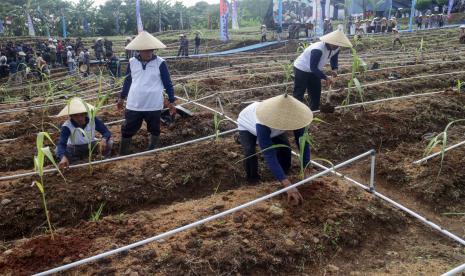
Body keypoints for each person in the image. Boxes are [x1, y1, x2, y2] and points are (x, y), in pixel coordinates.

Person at [237, 94, 313, 205]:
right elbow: (269, 154)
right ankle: (253, 180)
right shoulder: (262, 123)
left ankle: (283, 172)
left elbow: (303, 142)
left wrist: (306, 166)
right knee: (250, 151)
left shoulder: (297, 118)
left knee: (285, 149)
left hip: (275, 130)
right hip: (247, 125)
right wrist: (287, 185)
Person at [117, 31, 176, 155]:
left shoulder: (160, 63)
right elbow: (127, 81)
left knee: (154, 129)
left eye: (150, 50)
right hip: (135, 102)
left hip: (153, 103)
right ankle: (123, 153)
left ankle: (151, 150)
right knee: (128, 128)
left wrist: (171, 100)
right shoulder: (132, 62)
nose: (148, 52)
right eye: (145, 50)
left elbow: (167, 83)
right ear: (139, 50)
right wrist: (122, 98)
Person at [293, 29, 352, 111]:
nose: (337, 46)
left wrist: (335, 68)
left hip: (315, 70)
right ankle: (295, 112)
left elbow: (334, 58)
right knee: (299, 92)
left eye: (339, 44)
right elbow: (313, 67)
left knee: (316, 91)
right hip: (302, 69)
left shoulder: (336, 48)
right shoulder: (318, 49)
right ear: (329, 41)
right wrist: (325, 77)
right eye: (335, 44)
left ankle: (314, 110)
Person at [56, 97, 113, 170]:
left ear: (86, 113)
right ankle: (76, 163)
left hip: (91, 145)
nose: (79, 118)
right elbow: (61, 143)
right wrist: (63, 157)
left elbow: (106, 132)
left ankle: (103, 159)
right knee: (59, 151)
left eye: (81, 115)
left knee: (109, 142)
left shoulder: (92, 120)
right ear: (71, 116)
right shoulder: (67, 126)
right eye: (76, 115)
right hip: (74, 148)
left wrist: (104, 139)